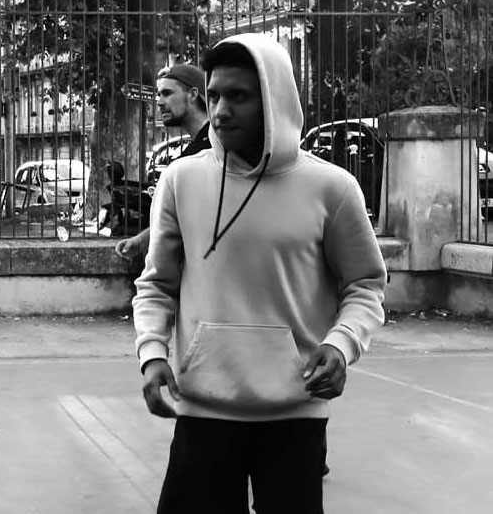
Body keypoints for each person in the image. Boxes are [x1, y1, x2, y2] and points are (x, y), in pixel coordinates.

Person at [133, 34, 387, 512]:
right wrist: (151, 352)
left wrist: (341, 343)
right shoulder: (180, 181)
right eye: (213, 96)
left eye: (239, 96)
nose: (222, 110)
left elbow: (365, 285)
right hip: (203, 409)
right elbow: (157, 285)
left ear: (274, 100)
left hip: (295, 412)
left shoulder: (332, 188)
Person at [114, 63, 211, 263]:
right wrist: (141, 241)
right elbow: (179, 214)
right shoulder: (195, 148)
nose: (159, 102)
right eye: (159, 94)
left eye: (167, 93)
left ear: (193, 94)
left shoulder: (213, 145)